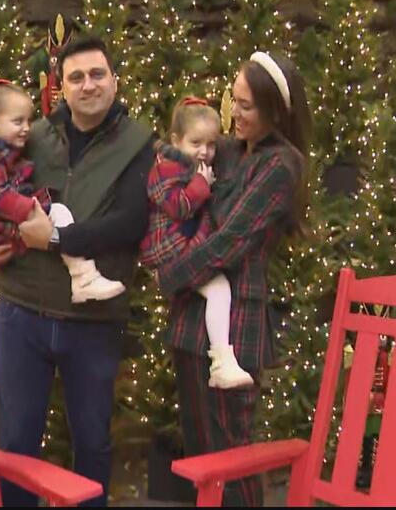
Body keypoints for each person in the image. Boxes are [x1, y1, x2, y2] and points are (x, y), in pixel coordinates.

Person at [0, 37, 154, 507]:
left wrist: (57, 239)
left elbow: (130, 225)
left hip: (92, 322)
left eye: (97, 74)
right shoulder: (33, 135)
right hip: (22, 311)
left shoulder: (140, 145)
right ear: (61, 87)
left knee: (92, 443)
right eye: (76, 77)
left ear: (114, 80)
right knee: (16, 444)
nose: (87, 85)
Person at [156, 51, 312, 506]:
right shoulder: (222, 149)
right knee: (202, 456)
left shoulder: (280, 166)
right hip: (192, 321)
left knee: (232, 455)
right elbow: (170, 182)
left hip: (236, 328)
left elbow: (229, 241)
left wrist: (170, 271)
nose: (234, 114)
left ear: (275, 110)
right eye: (233, 100)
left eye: (247, 106)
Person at [0, 76, 124, 303]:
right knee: (58, 212)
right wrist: (30, 211)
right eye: (18, 122)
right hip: (3, 227)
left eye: (28, 121)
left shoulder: (0, 150)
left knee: (57, 213)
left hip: (5, 231)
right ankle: (84, 277)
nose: (26, 129)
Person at [140, 96, 252, 389]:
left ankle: (221, 360)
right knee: (218, 289)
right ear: (176, 140)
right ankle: (221, 360)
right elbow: (178, 206)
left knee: (218, 289)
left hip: (184, 245)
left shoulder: (190, 169)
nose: (205, 152)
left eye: (211, 144)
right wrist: (202, 186)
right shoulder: (164, 169)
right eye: (196, 143)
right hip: (170, 248)